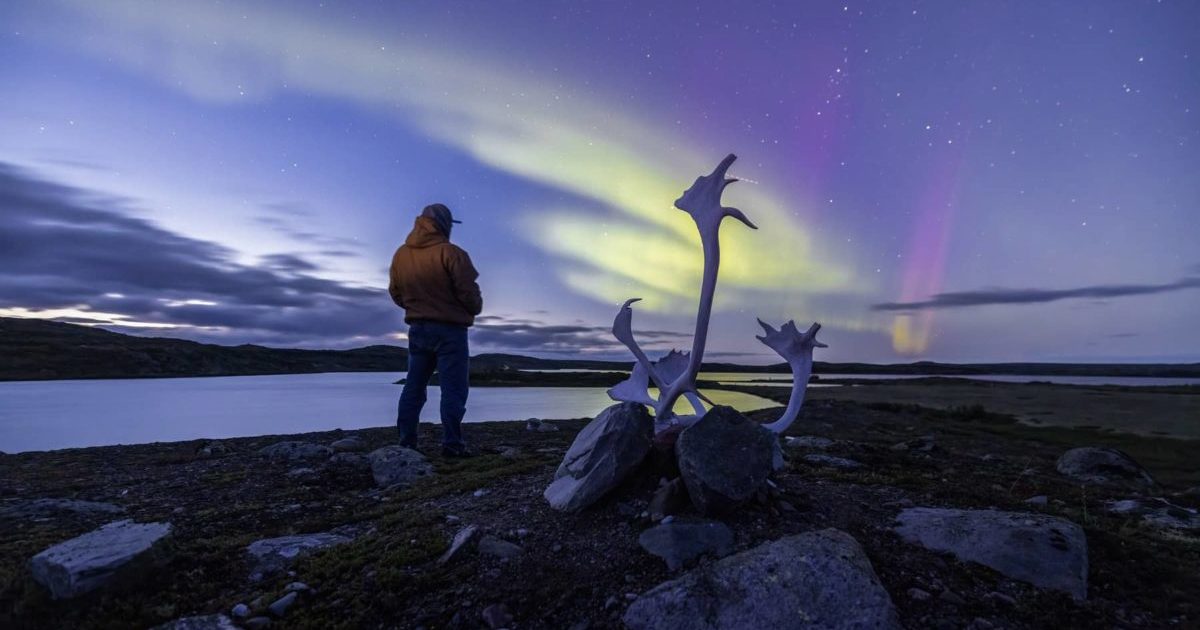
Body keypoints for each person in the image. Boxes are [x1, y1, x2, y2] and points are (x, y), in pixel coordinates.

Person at [388, 203, 482, 457]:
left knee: (413, 386)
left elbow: (396, 293)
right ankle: (453, 446)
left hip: (418, 329)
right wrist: (472, 309)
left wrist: (416, 306)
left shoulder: (401, 255)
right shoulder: (451, 253)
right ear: (443, 224)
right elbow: (468, 293)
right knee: (453, 389)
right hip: (450, 331)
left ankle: (406, 443)